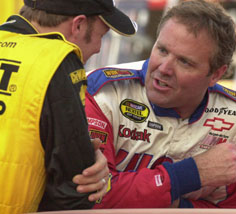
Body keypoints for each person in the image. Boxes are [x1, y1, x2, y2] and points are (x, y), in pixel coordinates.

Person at [86, 0, 236, 209]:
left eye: (184, 62)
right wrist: (192, 174)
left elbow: (234, 210)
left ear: (216, 74)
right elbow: (92, 199)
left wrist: (170, 203)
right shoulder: (102, 92)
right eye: (162, 50)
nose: (164, 68)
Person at [0, 0, 137, 213]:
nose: (99, 47)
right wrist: (91, 164)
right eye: (101, 35)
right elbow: (76, 188)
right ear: (78, 25)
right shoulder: (58, 60)